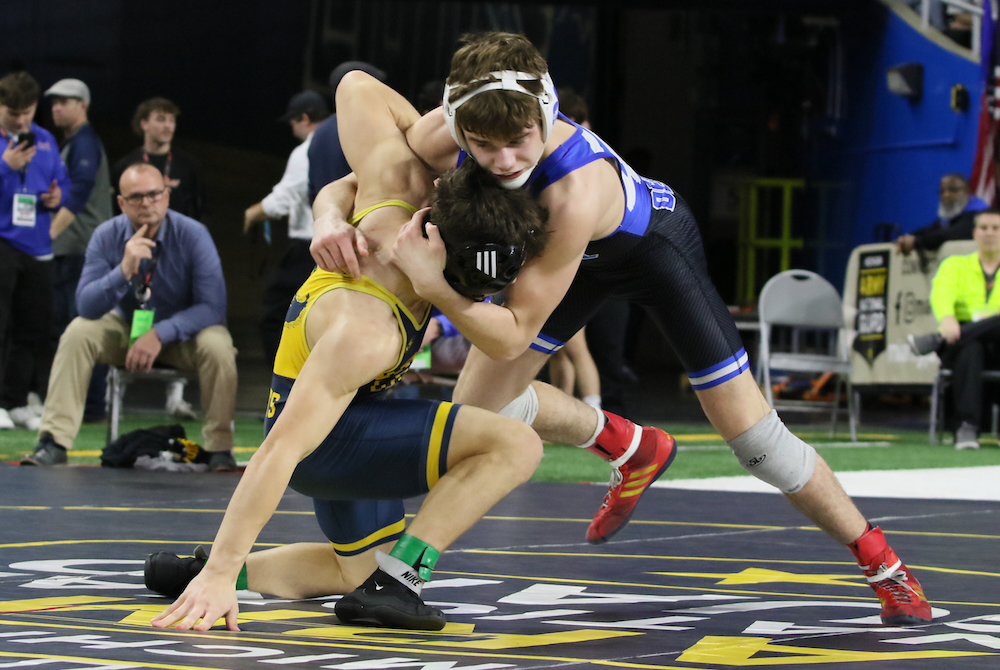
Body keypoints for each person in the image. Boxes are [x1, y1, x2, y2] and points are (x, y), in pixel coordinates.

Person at [311, 32, 932, 627]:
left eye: (520, 141)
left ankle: (885, 565)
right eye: (483, 145)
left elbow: (511, 336)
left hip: (652, 250)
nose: (504, 162)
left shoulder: (573, 189)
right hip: (565, 260)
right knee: (474, 416)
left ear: (545, 114)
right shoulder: (449, 130)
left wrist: (436, 285)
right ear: (457, 123)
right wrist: (328, 215)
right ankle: (629, 446)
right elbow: (372, 169)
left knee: (757, 443)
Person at [144, 71, 548, 633]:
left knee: (354, 573)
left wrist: (333, 210)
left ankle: (194, 574)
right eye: (470, 289)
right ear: (437, 250)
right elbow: (279, 452)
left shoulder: (398, 189)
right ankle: (397, 581)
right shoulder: (369, 330)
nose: (472, 302)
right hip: (327, 442)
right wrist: (223, 564)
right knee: (516, 444)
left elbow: (357, 87)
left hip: (349, 417)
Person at [21, 163, 238, 469]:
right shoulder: (106, 235)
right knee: (77, 332)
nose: (147, 203)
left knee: (218, 346)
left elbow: (213, 307)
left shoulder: (194, 235)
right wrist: (123, 270)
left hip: (183, 336)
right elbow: (86, 306)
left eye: (154, 194)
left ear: (166, 196)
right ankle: (54, 441)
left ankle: (219, 448)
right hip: (126, 327)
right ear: (121, 203)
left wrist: (160, 333)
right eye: (136, 197)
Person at [112, 97, 209, 421]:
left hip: (177, 255)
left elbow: (201, 209)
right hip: (136, 252)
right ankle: (116, 391)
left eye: (171, 119)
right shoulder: (126, 165)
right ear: (143, 123)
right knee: (126, 310)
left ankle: (176, 397)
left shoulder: (188, 164)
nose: (167, 125)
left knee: (179, 315)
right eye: (160, 119)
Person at [0, 71, 69, 431]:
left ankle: (14, 402)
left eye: (26, 112)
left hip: (38, 244)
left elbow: (63, 182)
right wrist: (4, 166)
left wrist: (58, 196)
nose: (21, 120)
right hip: (2, 240)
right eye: (13, 113)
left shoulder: (44, 139)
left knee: (33, 328)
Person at [44, 78, 114, 424]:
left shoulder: (84, 142)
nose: (57, 107)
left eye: (65, 102)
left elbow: (81, 190)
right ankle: (88, 404)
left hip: (80, 248)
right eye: (54, 102)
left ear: (83, 105)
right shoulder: (73, 142)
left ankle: (92, 405)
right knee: (70, 324)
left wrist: (48, 235)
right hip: (75, 247)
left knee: (81, 325)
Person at [244, 90, 328, 367]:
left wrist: (254, 213)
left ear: (304, 119)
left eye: (293, 122)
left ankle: (284, 383)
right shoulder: (343, 144)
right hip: (339, 246)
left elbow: (284, 199)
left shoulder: (307, 151)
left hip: (308, 248)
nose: (292, 129)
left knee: (275, 315)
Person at [908, 209, 1000, 449]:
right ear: (975, 233)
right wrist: (947, 317)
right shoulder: (955, 265)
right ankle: (967, 426)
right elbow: (942, 293)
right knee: (971, 347)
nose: (990, 233)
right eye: (984, 228)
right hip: (960, 340)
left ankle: (935, 340)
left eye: (996, 228)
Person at [306, 62, 386, 205]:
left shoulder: (320, 132)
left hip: (326, 214)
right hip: (363, 214)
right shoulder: (367, 129)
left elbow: (312, 192)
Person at [896, 173, 988, 255]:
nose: (946, 195)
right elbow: (931, 230)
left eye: (953, 190)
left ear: (967, 191)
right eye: (942, 191)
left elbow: (951, 234)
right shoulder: (950, 218)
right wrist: (906, 239)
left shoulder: (981, 213)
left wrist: (916, 242)